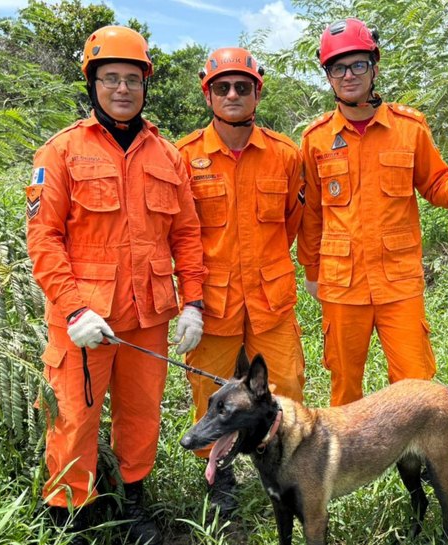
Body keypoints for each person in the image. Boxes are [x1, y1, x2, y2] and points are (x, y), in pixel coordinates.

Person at [26, 25, 206, 545]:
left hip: (148, 315)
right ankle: (67, 517)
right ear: (93, 84)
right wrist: (74, 309)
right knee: (73, 419)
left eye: (132, 78)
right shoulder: (60, 152)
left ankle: (134, 504)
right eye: (111, 78)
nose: (122, 88)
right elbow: (44, 240)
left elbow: (187, 235)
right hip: (83, 321)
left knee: (141, 415)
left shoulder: (167, 156)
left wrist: (191, 300)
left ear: (146, 84)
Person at [298, 18, 448, 407]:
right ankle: (345, 463)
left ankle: (413, 463)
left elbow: (438, 184)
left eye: (357, 64)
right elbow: (312, 215)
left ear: (375, 65)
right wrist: (311, 272)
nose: (348, 74)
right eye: (338, 67)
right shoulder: (315, 139)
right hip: (341, 284)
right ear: (328, 76)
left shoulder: (410, 128)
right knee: (344, 383)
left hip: (399, 281)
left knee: (414, 383)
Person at [175, 47, 306, 517]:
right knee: (208, 394)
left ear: (257, 93)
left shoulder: (285, 155)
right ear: (208, 93)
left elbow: (292, 223)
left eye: (243, 87)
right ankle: (219, 474)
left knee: (285, 385)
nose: (233, 95)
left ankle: (287, 466)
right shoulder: (185, 156)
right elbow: (179, 233)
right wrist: (188, 301)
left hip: (270, 300)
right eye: (223, 87)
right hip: (211, 304)